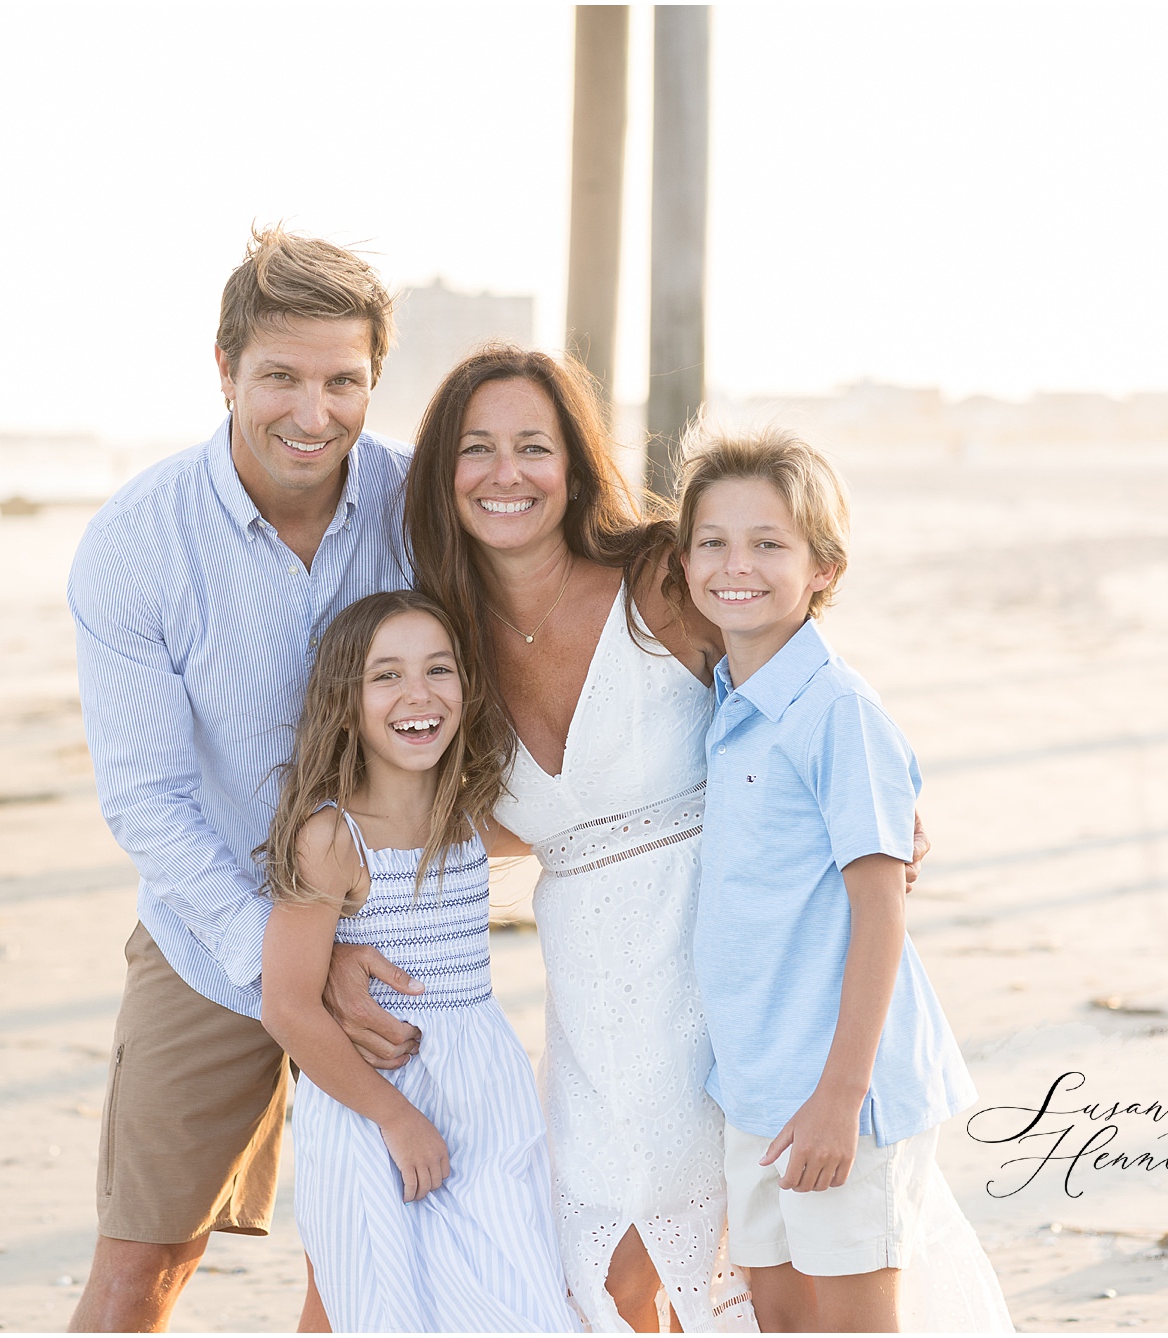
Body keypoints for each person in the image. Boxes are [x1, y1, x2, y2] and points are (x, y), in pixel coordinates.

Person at [65, 227, 427, 1332]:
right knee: (143, 1265)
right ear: (224, 370)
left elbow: (586, 626)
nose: (311, 414)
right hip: (207, 934)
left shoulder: (422, 511)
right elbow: (147, 801)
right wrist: (285, 962)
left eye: (342, 381)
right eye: (279, 377)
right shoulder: (136, 543)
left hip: (394, 941)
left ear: (372, 380)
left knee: (363, 1270)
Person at [403, 345, 758, 1332]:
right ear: (443, 474)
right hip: (593, 995)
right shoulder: (443, 648)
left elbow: (793, 686)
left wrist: (872, 797)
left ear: (573, 464)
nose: (505, 473)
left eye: (532, 446)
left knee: (740, 1255)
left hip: (721, 959)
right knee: (601, 1273)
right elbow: (475, 827)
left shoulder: (657, 575)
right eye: (476, 450)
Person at [677, 426, 1011, 1332]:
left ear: (823, 568)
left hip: (840, 1089)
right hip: (752, 1083)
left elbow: (881, 912)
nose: (734, 564)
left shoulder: (837, 712)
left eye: (769, 544)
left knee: (856, 1324)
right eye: (712, 540)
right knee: (779, 1316)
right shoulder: (728, 700)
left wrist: (840, 1099)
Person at [258, 590, 577, 1332]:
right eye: (386, 676)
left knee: (514, 1299)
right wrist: (397, 1118)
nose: (418, 694)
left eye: (439, 670)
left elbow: (597, 813)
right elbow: (289, 1005)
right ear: (345, 704)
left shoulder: (469, 819)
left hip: (485, 1095)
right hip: (374, 1104)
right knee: (381, 1307)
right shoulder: (332, 839)